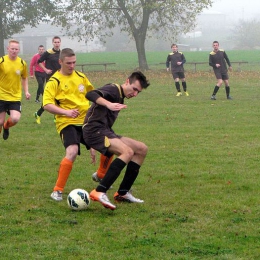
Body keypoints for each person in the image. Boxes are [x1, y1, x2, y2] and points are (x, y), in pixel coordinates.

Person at [43, 48, 111, 201]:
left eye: (74, 62)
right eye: (68, 63)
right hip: (67, 123)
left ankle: (100, 175)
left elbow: (93, 94)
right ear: (60, 62)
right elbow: (47, 105)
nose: (72, 66)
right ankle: (57, 190)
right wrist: (65, 112)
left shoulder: (81, 76)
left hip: (87, 122)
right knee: (72, 151)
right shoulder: (54, 81)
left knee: (110, 145)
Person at [83, 71, 150, 210]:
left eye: (139, 92)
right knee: (127, 152)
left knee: (142, 149)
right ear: (127, 82)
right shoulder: (113, 89)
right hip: (94, 130)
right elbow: (90, 94)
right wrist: (108, 104)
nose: (135, 94)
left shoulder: (120, 96)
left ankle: (122, 193)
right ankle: (99, 191)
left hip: (104, 131)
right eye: (134, 89)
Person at [0, 39, 31, 140]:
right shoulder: (2, 61)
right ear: (8, 49)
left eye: (16, 49)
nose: (14, 51)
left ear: (19, 50)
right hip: (1, 95)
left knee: (15, 118)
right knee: (0, 121)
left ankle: (6, 126)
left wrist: (26, 91)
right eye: (12, 48)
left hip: (15, 96)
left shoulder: (22, 63)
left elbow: (25, 77)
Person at [34, 36, 61, 124]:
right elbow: (38, 61)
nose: (57, 44)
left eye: (58, 42)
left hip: (60, 78)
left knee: (58, 98)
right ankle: (38, 113)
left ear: (60, 43)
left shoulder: (62, 53)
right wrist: (45, 70)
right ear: (53, 43)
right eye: (55, 42)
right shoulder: (48, 52)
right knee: (49, 99)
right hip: (51, 79)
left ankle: (55, 117)